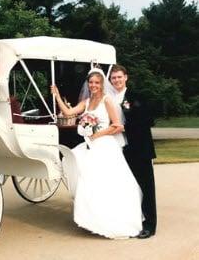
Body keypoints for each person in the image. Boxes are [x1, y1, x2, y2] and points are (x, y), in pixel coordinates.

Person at [51, 68, 142, 239]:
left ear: (101, 85)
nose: (93, 85)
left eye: (96, 83)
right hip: (91, 145)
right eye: (91, 82)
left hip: (105, 145)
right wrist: (57, 96)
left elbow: (118, 125)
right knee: (88, 180)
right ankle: (93, 219)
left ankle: (111, 220)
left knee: (106, 183)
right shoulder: (86, 102)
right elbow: (69, 113)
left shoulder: (107, 100)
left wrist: (96, 135)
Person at [110, 64, 157, 239]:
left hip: (140, 148)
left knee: (146, 187)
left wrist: (125, 128)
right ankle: (133, 220)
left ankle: (150, 225)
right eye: (113, 78)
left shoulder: (137, 96)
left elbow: (149, 120)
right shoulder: (111, 98)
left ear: (126, 77)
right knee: (129, 186)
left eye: (119, 77)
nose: (116, 80)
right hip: (121, 148)